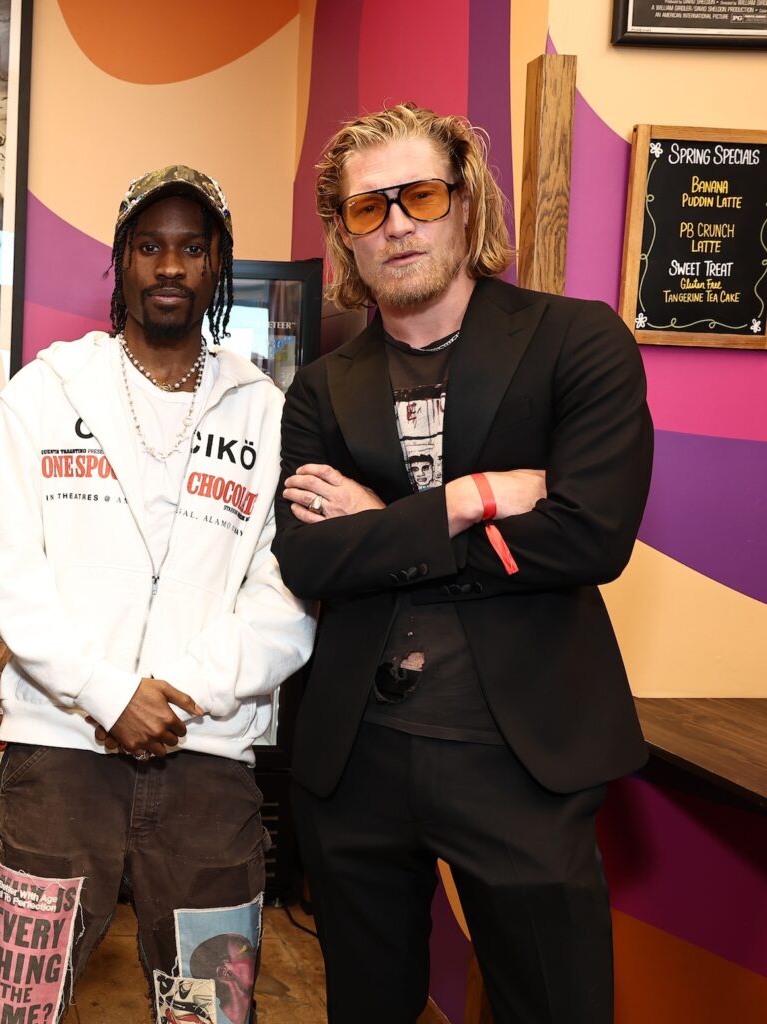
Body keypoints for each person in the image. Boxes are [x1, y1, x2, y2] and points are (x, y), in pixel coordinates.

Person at [273, 102, 653, 1024]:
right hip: (354, 764)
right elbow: (309, 560)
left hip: (523, 762)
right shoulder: (323, 385)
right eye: (369, 209)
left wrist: (383, 529)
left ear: (466, 205)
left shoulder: (579, 342)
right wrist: (464, 501)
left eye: (421, 196)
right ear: (346, 238)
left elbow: (586, 536)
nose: (397, 223)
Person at [0, 165, 315, 1024]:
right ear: (120, 263)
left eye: (191, 248)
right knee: (21, 1008)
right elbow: (7, 574)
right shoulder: (43, 395)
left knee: (212, 1010)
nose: (170, 266)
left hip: (210, 763)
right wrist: (109, 693)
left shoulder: (268, 413)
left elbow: (286, 592)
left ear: (217, 265)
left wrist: (180, 693)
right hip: (59, 757)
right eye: (150, 246)